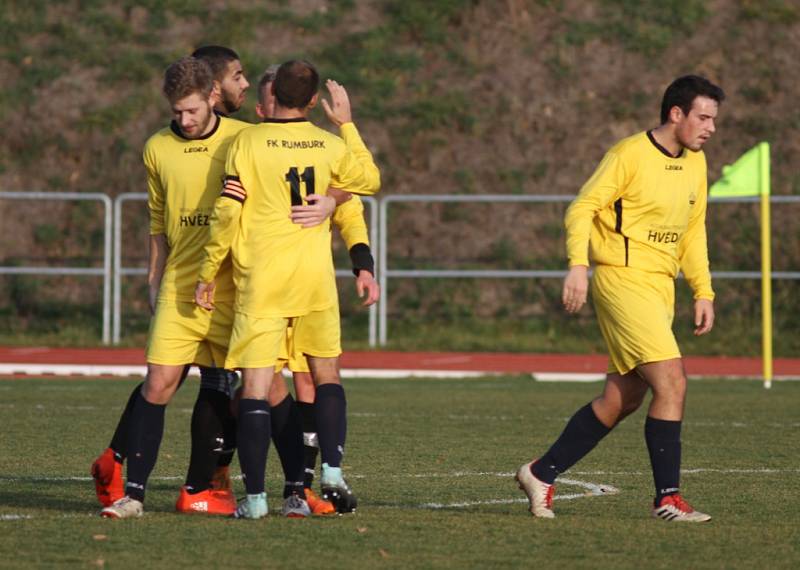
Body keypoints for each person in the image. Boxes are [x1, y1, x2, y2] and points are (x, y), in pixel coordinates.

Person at [516, 75, 724, 522]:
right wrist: (578, 265)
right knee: (672, 382)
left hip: (660, 287)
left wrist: (702, 290)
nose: (709, 128)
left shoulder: (696, 163)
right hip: (621, 280)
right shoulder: (628, 154)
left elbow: (693, 230)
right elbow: (582, 207)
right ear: (676, 114)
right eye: (703, 117)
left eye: (713, 120)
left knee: (623, 398)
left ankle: (541, 472)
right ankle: (667, 498)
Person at [196, 59, 380, 519]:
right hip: (314, 278)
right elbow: (368, 182)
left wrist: (207, 270)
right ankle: (330, 474)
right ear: (315, 101)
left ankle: (256, 499)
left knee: (255, 388)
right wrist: (347, 125)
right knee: (326, 375)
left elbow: (226, 214)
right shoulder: (328, 145)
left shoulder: (246, 142)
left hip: (263, 281)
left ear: (272, 94)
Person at [91, 46, 258, 515]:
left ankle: (231, 487)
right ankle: (133, 496)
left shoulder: (244, 138)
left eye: (191, 109)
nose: (184, 120)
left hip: (232, 285)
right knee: (159, 383)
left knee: (232, 384)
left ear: (211, 96)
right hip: (182, 284)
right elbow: (158, 221)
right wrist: (152, 277)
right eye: (176, 112)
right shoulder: (156, 147)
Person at [255, 64, 381, 515]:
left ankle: (302, 486)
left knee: (308, 378)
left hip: (302, 281)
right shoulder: (250, 148)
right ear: (260, 107)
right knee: (262, 387)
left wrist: (362, 263)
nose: (275, 108)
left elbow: (351, 207)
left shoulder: (316, 151)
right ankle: (270, 483)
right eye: (268, 101)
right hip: (261, 283)